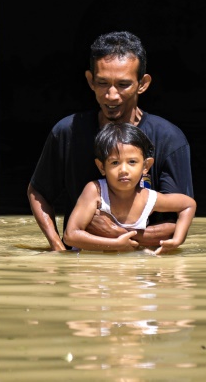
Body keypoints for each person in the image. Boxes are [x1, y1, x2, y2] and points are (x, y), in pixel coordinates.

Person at [27, 30, 193, 251]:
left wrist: (111, 232)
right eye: (103, 83)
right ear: (90, 81)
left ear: (142, 84)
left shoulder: (169, 139)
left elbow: (176, 225)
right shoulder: (67, 132)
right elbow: (38, 191)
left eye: (123, 84)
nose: (112, 95)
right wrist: (58, 248)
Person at [63, 123, 195, 254]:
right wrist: (116, 244)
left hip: (134, 269)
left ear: (146, 166)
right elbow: (70, 236)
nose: (123, 170)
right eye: (115, 162)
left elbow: (188, 205)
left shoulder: (148, 199)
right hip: (94, 268)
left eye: (132, 162)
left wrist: (178, 239)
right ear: (102, 167)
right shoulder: (95, 191)